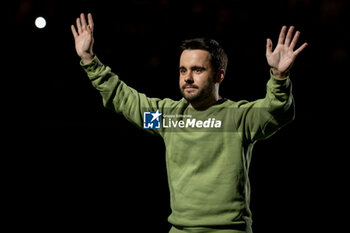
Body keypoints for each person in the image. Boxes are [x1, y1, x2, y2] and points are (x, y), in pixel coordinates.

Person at [71, 13, 307, 233]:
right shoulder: (170, 118)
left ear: (219, 76)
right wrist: (89, 60)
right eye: (183, 70)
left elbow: (277, 111)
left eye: (197, 70)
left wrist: (279, 77)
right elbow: (125, 100)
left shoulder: (238, 118)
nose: (188, 77)